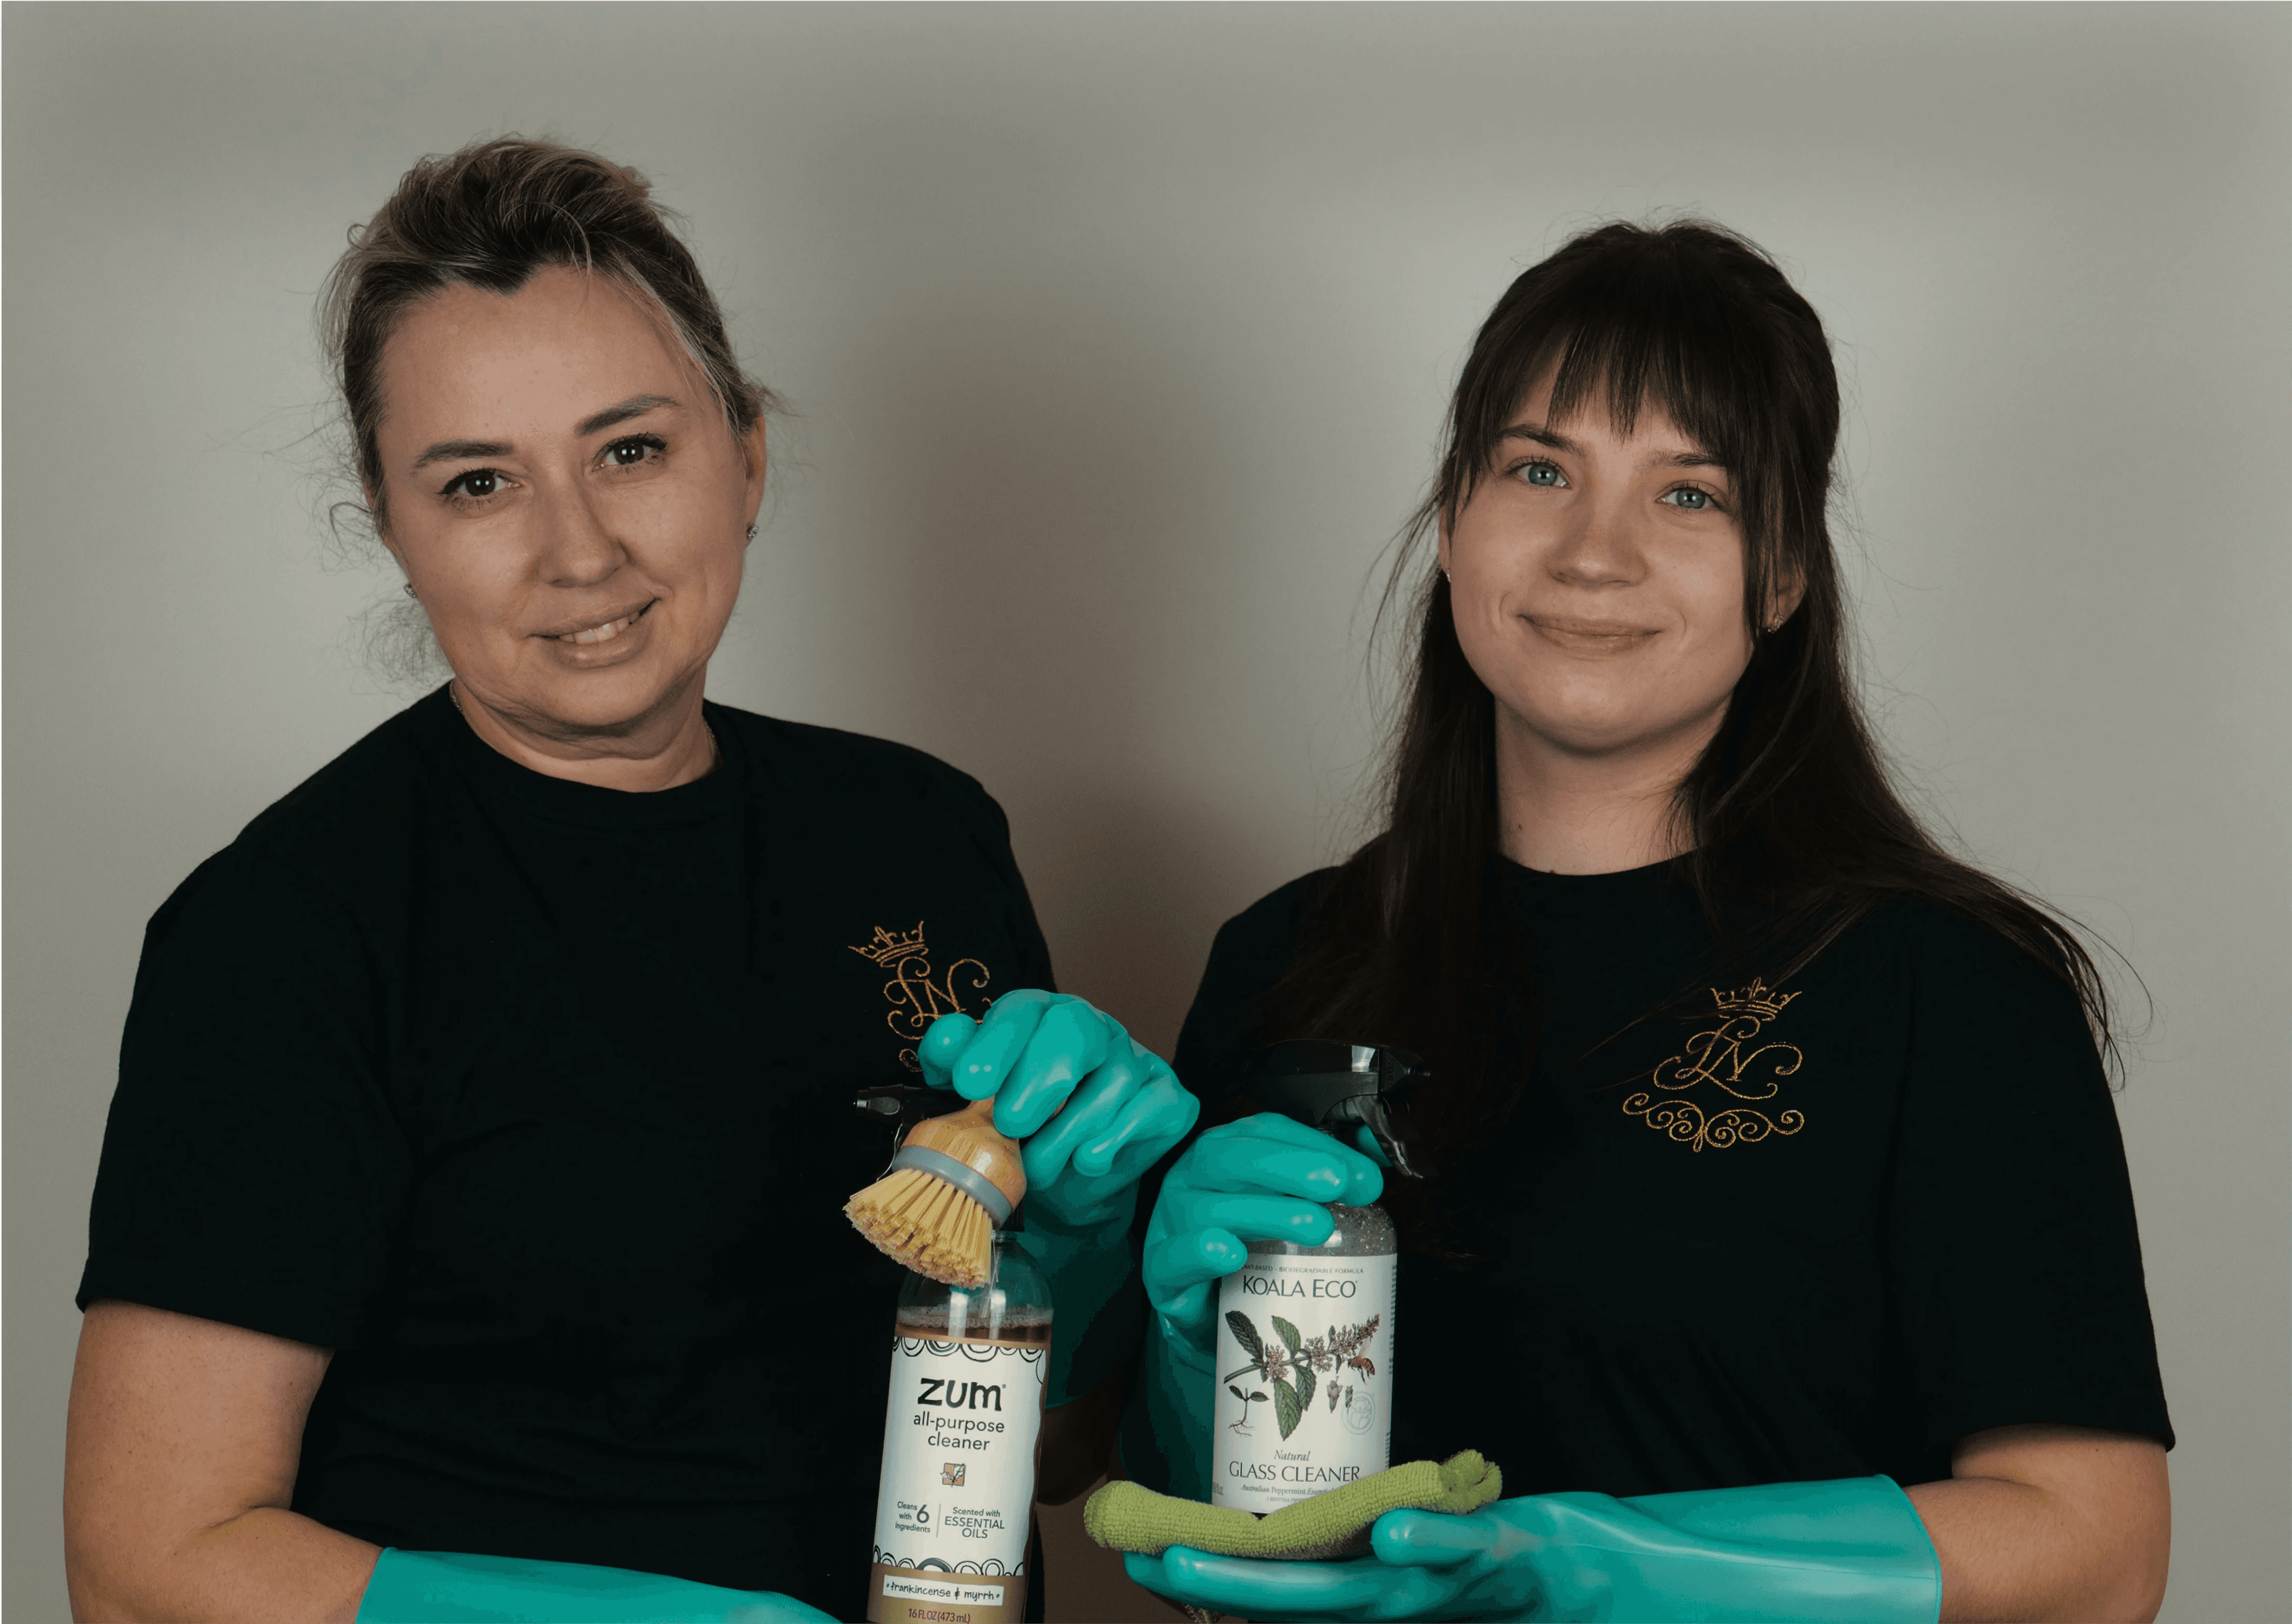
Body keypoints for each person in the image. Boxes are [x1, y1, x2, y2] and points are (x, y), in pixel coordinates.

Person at [62, 137, 1193, 1624]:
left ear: (748, 458)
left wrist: (1085, 1247)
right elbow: (144, 1564)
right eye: (479, 483)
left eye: (632, 451)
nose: (579, 551)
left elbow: (1055, 1453)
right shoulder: (289, 930)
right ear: (393, 529)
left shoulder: (920, 830)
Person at [1121, 222, 2172, 1622]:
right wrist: (1189, 1349)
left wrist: (1586, 1567)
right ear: (1453, 523)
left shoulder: (1953, 986)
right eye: (1539, 470)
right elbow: (1202, 1555)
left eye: (1690, 494)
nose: (1594, 554)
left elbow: (2098, 1552)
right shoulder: (1283, 961)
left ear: (1782, 574)